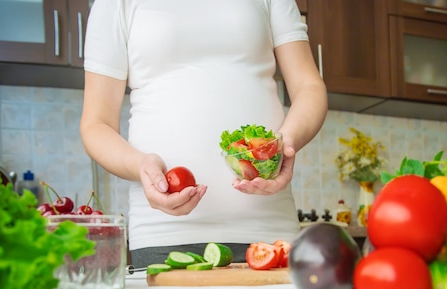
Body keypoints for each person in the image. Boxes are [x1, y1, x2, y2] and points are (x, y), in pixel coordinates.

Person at [80, 0, 328, 268]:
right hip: (163, 233)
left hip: (268, 229)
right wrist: (140, 166)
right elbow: (96, 124)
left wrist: (286, 143)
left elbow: (309, 86)